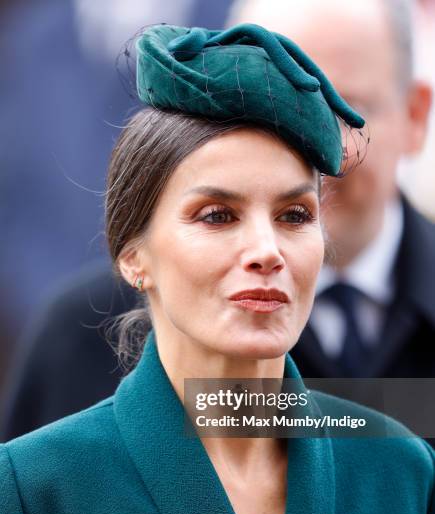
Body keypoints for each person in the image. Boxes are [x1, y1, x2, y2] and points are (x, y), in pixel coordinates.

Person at [1, 24, 434, 514]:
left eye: (295, 215)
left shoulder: (399, 473)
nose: (267, 250)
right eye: (216, 215)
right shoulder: (34, 491)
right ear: (134, 257)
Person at [3, 0, 435, 442]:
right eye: (261, 110)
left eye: (342, 108)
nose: (308, 149)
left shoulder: (404, 471)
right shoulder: (83, 338)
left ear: (415, 116)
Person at [228, 0, 435, 378]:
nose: (316, 152)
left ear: (414, 117)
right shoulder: (103, 341)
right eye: (277, 109)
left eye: (347, 109)